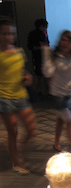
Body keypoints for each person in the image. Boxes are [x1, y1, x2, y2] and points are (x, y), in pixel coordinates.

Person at [0, 17, 37, 175]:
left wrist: (27, 76)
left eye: (11, 33)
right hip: (4, 97)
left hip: (21, 95)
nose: (9, 37)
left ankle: (19, 151)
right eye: (4, 33)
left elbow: (22, 70)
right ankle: (16, 161)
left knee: (31, 129)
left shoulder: (19, 52)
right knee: (13, 131)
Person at [27, 18, 50, 98]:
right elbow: (31, 46)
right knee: (40, 76)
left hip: (41, 57)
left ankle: (41, 93)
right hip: (39, 57)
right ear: (41, 26)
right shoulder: (36, 34)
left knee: (41, 76)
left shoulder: (43, 33)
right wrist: (42, 47)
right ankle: (41, 93)